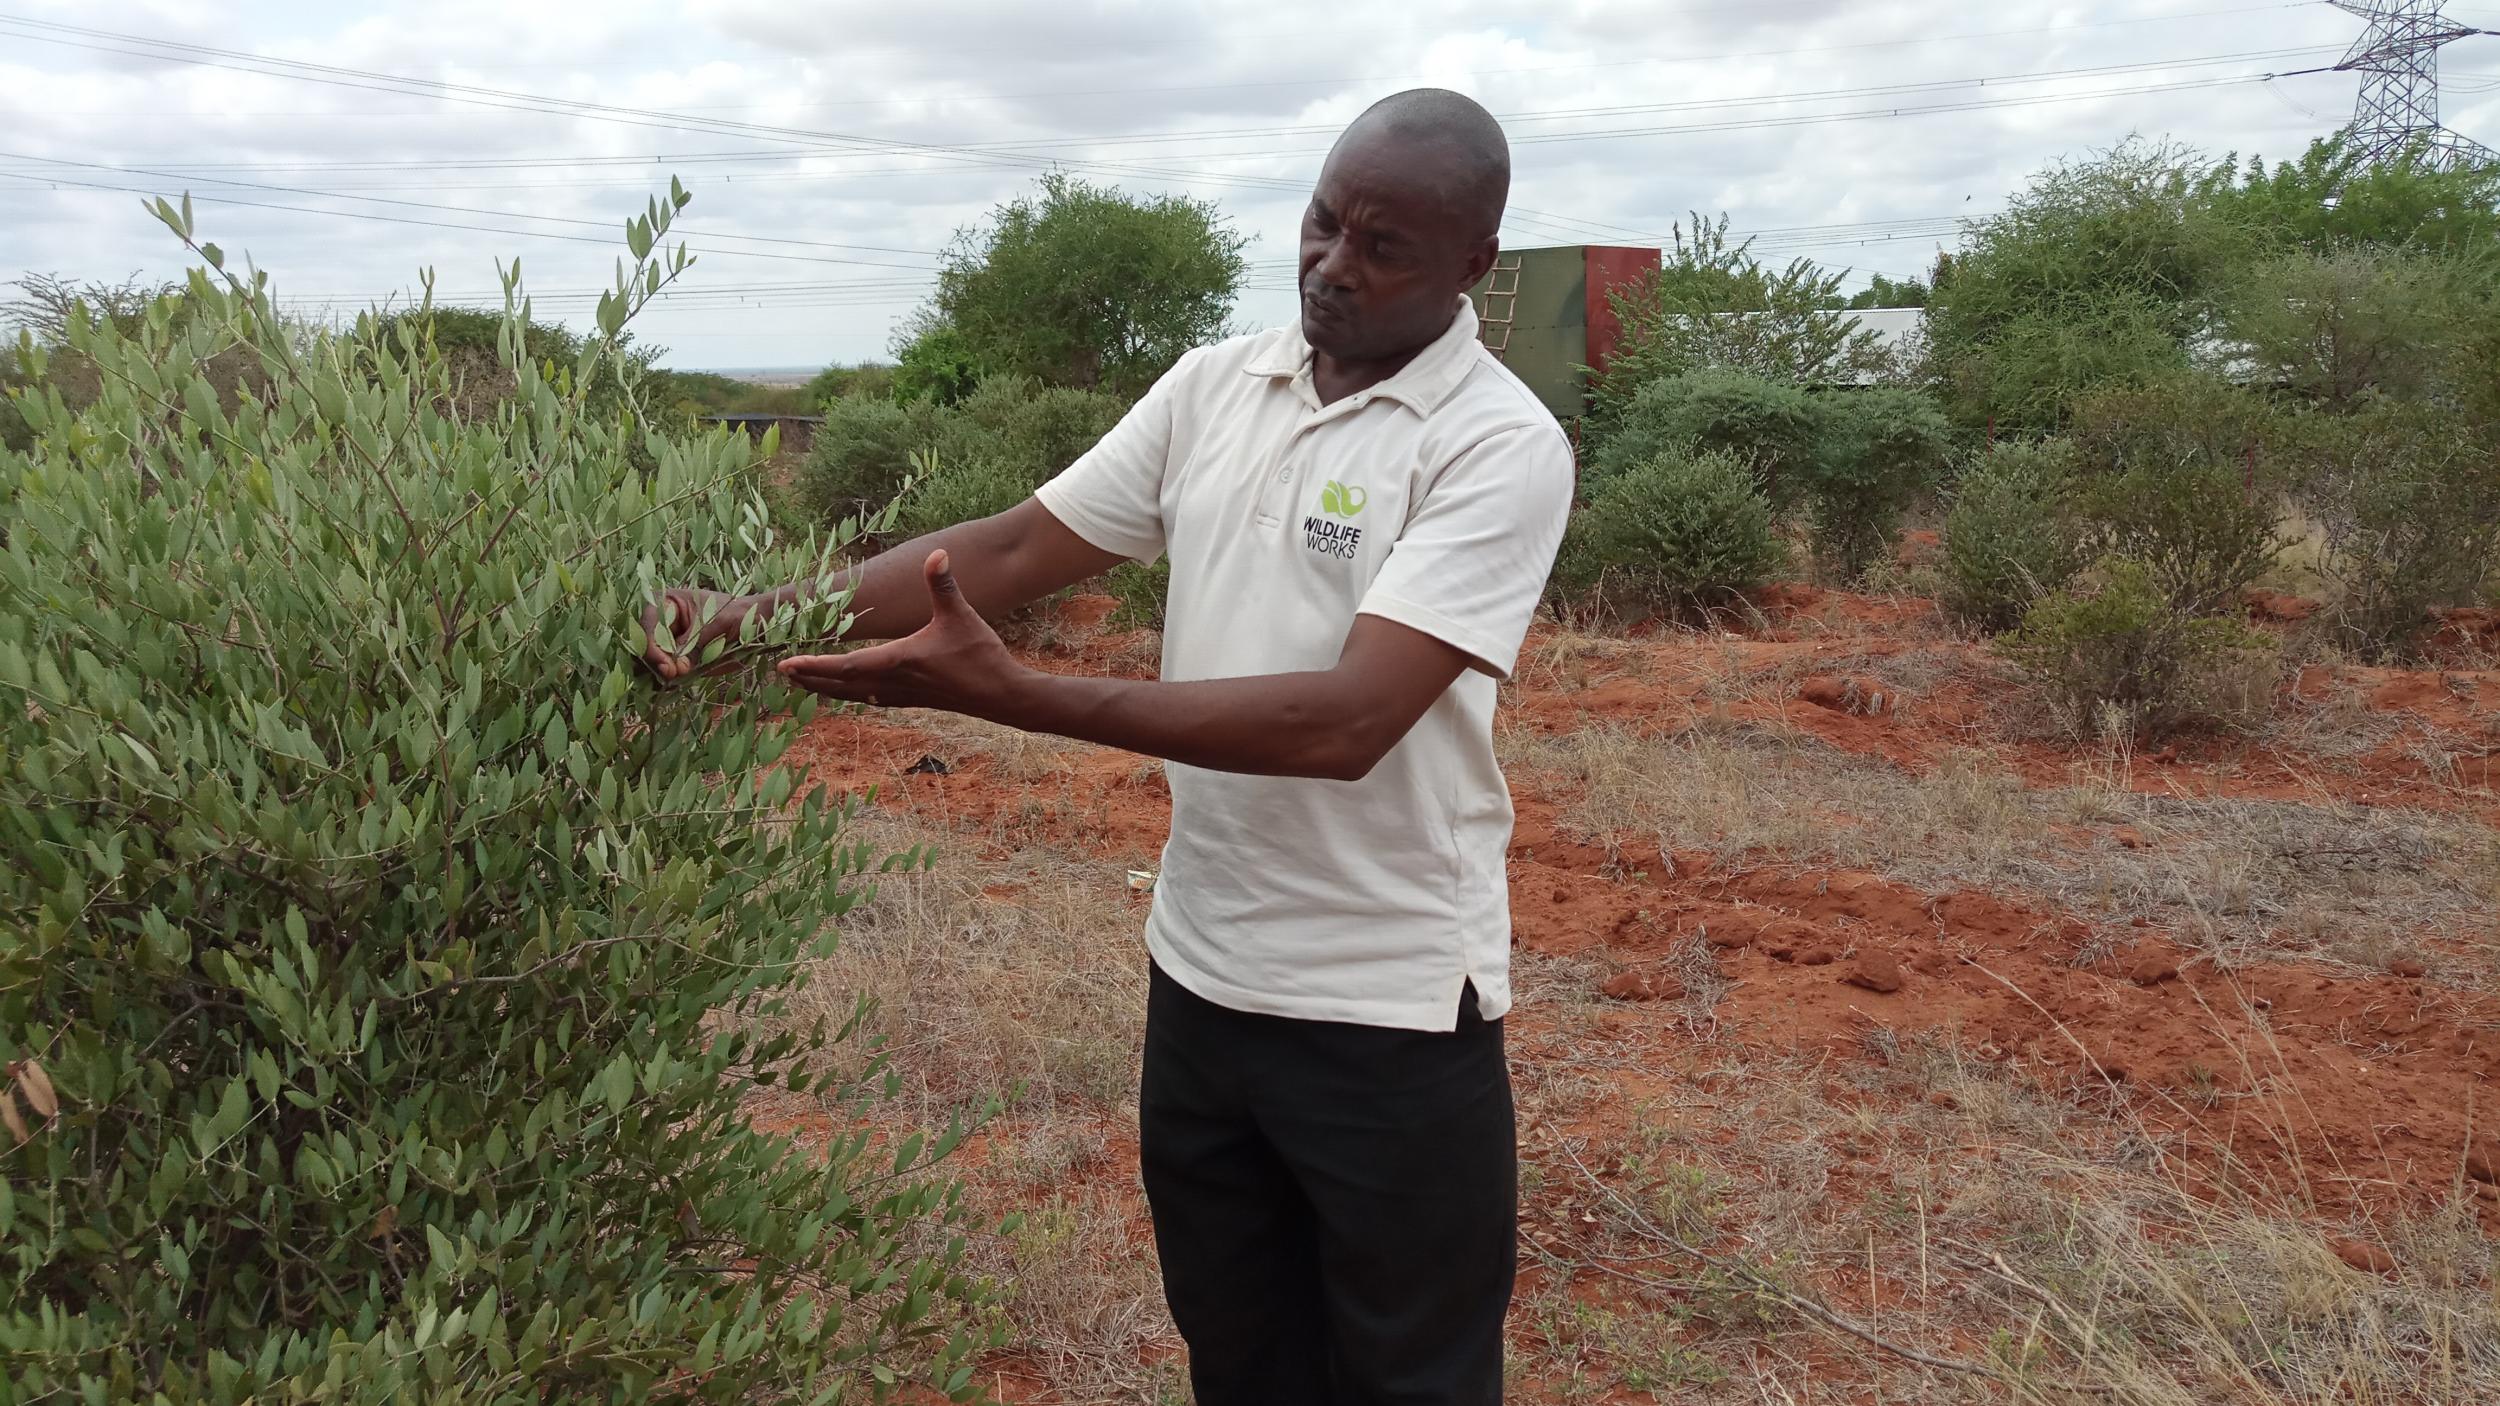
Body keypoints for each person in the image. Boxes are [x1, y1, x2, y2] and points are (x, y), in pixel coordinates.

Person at [643, 88, 1572, 1406]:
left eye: (1381, 246)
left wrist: (1015, 697)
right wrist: (751, 620)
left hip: (1389, 1018)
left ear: (1476, 262)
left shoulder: (1498, 444)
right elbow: (1016, 548)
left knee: (1409, 1378)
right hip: (1201, 981)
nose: (1329, 265)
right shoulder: (1216, 388)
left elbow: (1347, 719)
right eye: (1318, 222)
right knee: (1242, 1362)